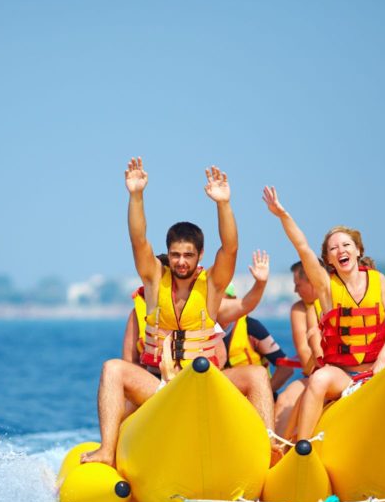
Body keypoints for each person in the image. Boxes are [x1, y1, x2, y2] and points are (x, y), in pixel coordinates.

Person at [81, 158, 274, 466]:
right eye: (175, 255)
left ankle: (267, 452)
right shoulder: (156, 280)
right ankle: (107, 451)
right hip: (161, 386)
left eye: (187, 255)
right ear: (168, 255)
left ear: (199, 256)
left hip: (204, 383)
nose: (181, 261)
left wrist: (223, 205)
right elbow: (138, 239)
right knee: (112, 368)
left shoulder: (211, 284)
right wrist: (136, 196)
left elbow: (231, 248)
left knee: (257, 375)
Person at [264, 184, 385, 442]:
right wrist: (283, 215)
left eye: (346, 245)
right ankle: (303, 451)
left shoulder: (379, 280)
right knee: (318, 380)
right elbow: (303, 247)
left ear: (358, 250)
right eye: (334, 248)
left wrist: (383, 359)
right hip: (344, 374)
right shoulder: (326, 287)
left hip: (378, 369)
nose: (341, 250)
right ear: (328, 259)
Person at [216, 251, 295, 395]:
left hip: (255, 398)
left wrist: (263, 393)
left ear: (234, 300)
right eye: (214, 302)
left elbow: (286, 367)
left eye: (224, 300)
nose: (220, 307)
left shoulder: (251, 327)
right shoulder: (203, 330)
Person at [272, 261, 323, 435]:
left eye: (298, 285)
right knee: (286, 399)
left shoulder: (338, 299)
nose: (295, 291)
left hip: (343, 372)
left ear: (311, 281)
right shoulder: (299, 309)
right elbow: (304, 353)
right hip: (315, 374)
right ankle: (276, 452)